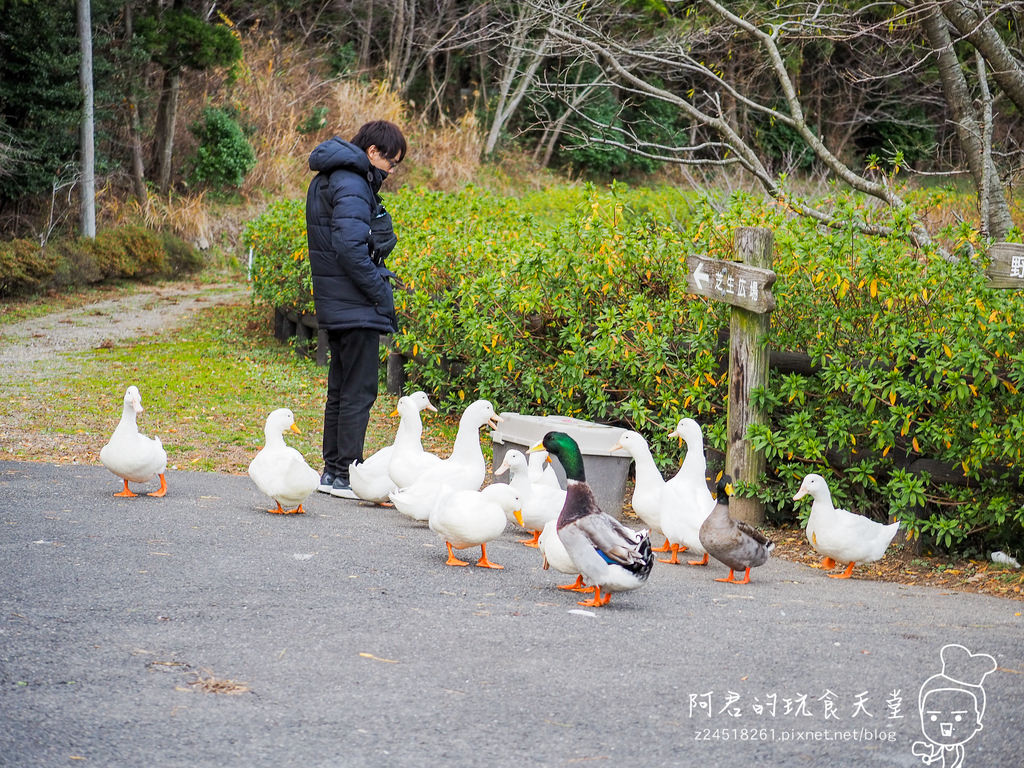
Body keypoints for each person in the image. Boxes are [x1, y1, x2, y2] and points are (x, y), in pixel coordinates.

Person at [305, 120, 406, 499]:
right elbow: (349, 248)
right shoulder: (351, 182)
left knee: (341, 389)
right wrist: (379, 291)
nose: (391, 172)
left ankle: (332, 473)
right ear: (372, 152)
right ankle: (346, 473)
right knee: (359, 391)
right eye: (390, 162)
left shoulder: (332, 177)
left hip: (338, 301)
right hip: (354, 302)